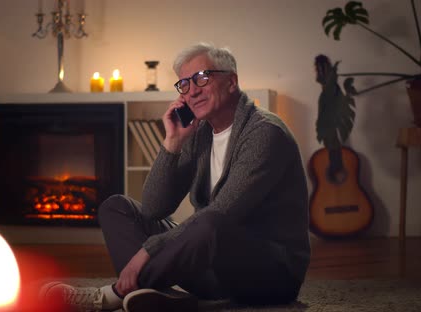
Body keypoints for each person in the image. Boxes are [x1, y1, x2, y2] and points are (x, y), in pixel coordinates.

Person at [39, 42, 310, 312]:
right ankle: (161, 297)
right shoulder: (200, 132)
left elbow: (221, 214)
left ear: (231, 81)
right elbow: (155, 208)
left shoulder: (265, 133)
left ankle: (115, 294)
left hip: (269, 274)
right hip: (212, 269)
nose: (192, 91)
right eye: (184, 84)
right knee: (117, 208)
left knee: (210, 221)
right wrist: (172, 143)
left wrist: (149, 250)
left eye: (201, 78)